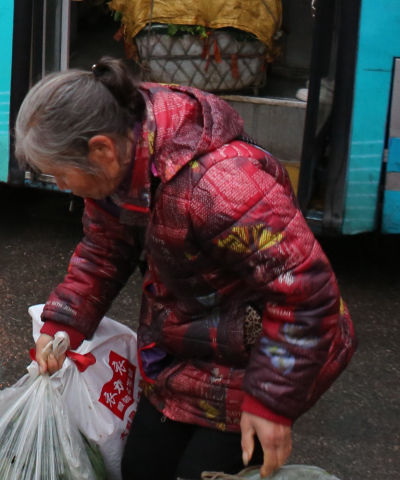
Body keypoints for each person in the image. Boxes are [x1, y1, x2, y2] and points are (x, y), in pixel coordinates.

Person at [21, 60, 354, 480]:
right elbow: (105, 248)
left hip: (261, 356)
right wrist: (65, 323)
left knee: (200, 472)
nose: (63, 187)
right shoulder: (120, 164)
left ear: (100, 149)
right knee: (141, 467)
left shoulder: (221, 186)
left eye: (60, 175)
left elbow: (306, 294)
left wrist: (272, 401)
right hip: (186, 343)